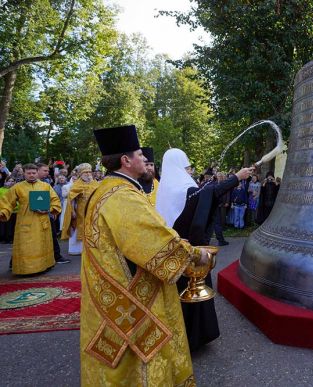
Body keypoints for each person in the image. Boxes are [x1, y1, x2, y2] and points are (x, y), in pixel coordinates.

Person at [81, 125, 207, 386]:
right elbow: (150, 241)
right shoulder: (122, 196)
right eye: (139, 154)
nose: (145, 160)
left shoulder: (105, 189)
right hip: (130, 292)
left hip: (110, 288)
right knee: (139, 361)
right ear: (126, 160)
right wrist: (195, 255)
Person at [157, 148, 253, 350]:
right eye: (187, 167)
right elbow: (209, 194)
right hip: (191, 250)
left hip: (172, 250)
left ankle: (179, 336)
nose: (190, 171)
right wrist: (236, 177)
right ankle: (196, 337)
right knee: (193, 291)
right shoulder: (186, 189)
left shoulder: (164, 189)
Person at [0, 163, 63, 274]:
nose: (31, 175)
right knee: (26, 246)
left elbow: (55, 200)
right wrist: (3, 212)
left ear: (37, 173)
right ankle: (27, 269)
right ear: (24, 174)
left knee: (43, 244)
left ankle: (45, 265)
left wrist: (49, 209)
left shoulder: (45, 186)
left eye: (33, 173)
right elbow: (7, 202)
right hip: (25, 220)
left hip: (42, 220)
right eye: (28, 173)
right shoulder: (17, 187)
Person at [61, 163, 99, 256]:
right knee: (77, 228)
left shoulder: (95, 183)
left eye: (89, 172)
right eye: (85, 172)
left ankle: (90, 248)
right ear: (81, 174)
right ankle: (76, 249)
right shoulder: (77, 184)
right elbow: (72, 198)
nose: (88, 174)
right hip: (80, 211)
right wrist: (72, 211)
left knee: (92, 227)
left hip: (92, 210)